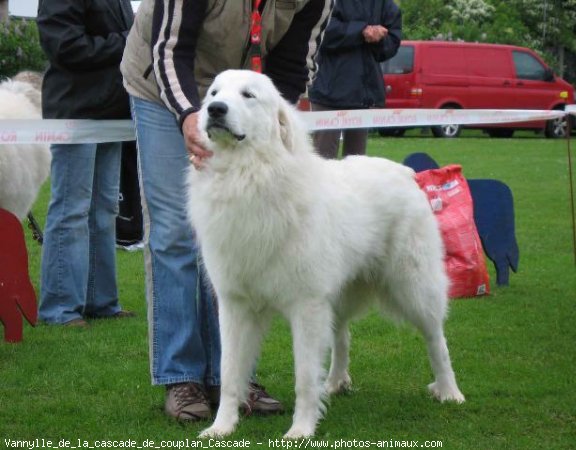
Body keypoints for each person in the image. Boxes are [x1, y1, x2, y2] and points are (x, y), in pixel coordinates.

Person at [120, 0, 334, 421]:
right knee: (174, 232)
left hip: (240, 91)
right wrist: (188, 115)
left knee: (237, 240)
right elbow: (169, 49)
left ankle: (230, 381)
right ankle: (181, 376)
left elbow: (292, 67)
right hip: (162, 85)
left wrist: (262, 119)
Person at [37, 0, 135, 327]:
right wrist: (126, 41)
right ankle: (60, 308)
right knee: (71, 210)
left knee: (104, 209)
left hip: (111, 111)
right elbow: (64, 47)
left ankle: (101, 301)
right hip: (75, 111)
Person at [309, 0, 402, 159]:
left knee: (358, 165)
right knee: (323, 162)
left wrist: (378, 38)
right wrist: (361, 31)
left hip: (362, 95)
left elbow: (391, 41)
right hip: (328, 92)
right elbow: (321, 30)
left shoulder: (384, 4)